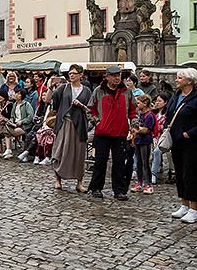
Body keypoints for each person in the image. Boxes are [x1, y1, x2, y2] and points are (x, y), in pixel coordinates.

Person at [163, 68, 197, 223]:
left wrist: (189, 133)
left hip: (192, 142)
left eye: (180, 77)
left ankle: (193, 208)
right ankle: (183, 203)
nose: (176, 80)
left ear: (189, 81)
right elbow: (169, 115)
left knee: (191, 174)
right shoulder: (175, 96)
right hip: (176, 141)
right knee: (179, 172)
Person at [87, 65, 137, 200]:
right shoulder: (98, 91)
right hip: (102, 133)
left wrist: (134, 125)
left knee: (119, 163)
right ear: (107, 77)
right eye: (114, 75)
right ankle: (96, 188)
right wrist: (97, 122)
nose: (117, 78)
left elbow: (133, 110)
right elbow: (90, 109)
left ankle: (119, 190)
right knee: (100, 162)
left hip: (120, 133)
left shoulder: (126, 91)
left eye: (119, 75)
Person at [50, 64, 92, 192]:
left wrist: (82, 106)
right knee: (61, 150)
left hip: (79, 124)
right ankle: (58, 179)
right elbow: (51, 103)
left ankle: (79, 182)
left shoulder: (86, 91)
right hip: (65, 122)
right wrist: (51, 88)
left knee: (78, 153)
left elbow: (90, 110)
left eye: (74, 73)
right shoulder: (63, 88)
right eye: (70, 73)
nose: (71, 75)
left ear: (80, 75)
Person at [131, 94, 156, 194]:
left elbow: (146, 129)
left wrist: (138, 130)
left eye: (138, 103)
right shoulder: (140, 114)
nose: (137, 105)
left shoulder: (149, 115)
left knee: (145, 162)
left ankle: (148, 184)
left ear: (145, 103)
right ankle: (140, 182)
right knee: (139, 163)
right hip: (138, 140)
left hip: (145, 141)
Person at [3, 88, 34, 159]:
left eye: (19, 93)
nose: (16, 95)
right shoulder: (15, 104)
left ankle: (8, 150)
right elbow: (12, 116)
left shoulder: (26, 104)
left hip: (25, 126)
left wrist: (22, 121)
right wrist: (11, 121)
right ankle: (8, 150)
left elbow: (30, 116)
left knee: (8, 132)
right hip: (15, 124)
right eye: (16, 93)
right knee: (7, 129)